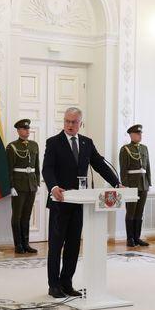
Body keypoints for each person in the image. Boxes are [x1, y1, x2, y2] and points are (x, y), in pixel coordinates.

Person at [42, 107, 120, 298]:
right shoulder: (53, 142)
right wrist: (53, 187)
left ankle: (66, 283)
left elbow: (99, 165)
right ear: (64, 122)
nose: (70, 125)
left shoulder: (86, 143)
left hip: (80, 204)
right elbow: (47, 169)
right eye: (67, 121)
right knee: (56, 245)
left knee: (73, 245)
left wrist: (116, 183)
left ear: (80, 123)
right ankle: (54, 286)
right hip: (60, 201)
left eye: (74, 122)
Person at [6, 119, 40, 254]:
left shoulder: (34, 145)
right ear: (19, 130)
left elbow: (37, 165)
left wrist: (37, 182)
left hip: (31, 185)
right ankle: (18, 244)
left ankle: (26, 244)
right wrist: (11, 186)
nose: (27, 131)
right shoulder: (12, 146)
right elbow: (9, 168)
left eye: (28, 128)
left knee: (27, 216)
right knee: (17, 216)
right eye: (24, 129)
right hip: (18, 186)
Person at [119, 124, 152, 247]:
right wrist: (125, 186)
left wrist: (148, 182)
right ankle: (130, 239)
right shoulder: (125, 149)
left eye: (140, 133)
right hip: (131, 185)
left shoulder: (144, 148)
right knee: (131, 212)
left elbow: (148, 167)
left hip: (143, 185)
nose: (140, 135)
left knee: (140, 212)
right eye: (138, 134)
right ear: (131, 135)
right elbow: (123, 170)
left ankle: (137, 238)